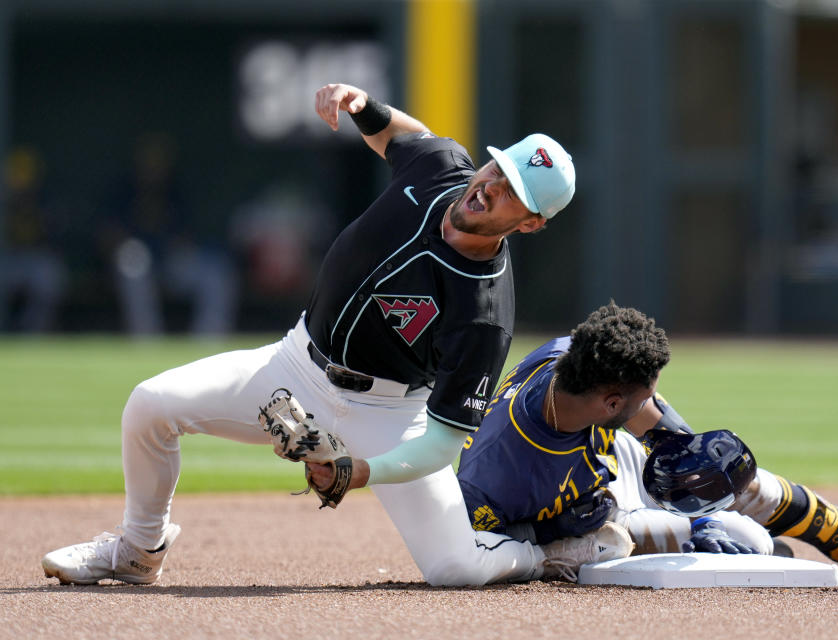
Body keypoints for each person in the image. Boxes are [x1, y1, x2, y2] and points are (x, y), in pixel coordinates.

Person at [42, 82, 593, 587]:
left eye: (513, 191)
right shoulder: (441, 169)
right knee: (150, 406)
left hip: (390, 415)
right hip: (295, 367)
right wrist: (363, 105)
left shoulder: (485, 312)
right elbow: (404, 137)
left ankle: (544, 554)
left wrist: (362, 472)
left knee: (456, 568)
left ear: (529, 223)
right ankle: (138, 551)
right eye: (498, 169)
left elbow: (445, 441)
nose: (490, 186)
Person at [457, 303, 838, 574]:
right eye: (647, 392)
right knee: (613, 543)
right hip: (576, 513)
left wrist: (693, 465)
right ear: (610, 403)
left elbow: (650, 423)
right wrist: (547, 537)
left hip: (601, 457)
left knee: (724, 473)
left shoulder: (573, 358)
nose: (655, 399)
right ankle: (733, 545)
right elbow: (476, 543)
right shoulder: (497, 472)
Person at [101, 132, 238, 335]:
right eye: (148, 162)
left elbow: (187, 237)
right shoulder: (124, 191)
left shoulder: (175, 191)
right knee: (132, 262)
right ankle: (147, 341)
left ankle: (208, 342)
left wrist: (178, 247)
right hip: (140, 266)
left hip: (171, 263)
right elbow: (108, 235)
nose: (153, 168)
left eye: (158, 162)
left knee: (215, 273)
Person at [0, 147, 67, 332]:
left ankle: (33, 334)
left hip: (37, 258)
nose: (20, 180)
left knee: (48, 277)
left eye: (24, 174)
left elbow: (54, 236)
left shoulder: (45, 199)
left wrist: (33, 212)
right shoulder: (4, 199)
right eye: (16, 174)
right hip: (8, 257)